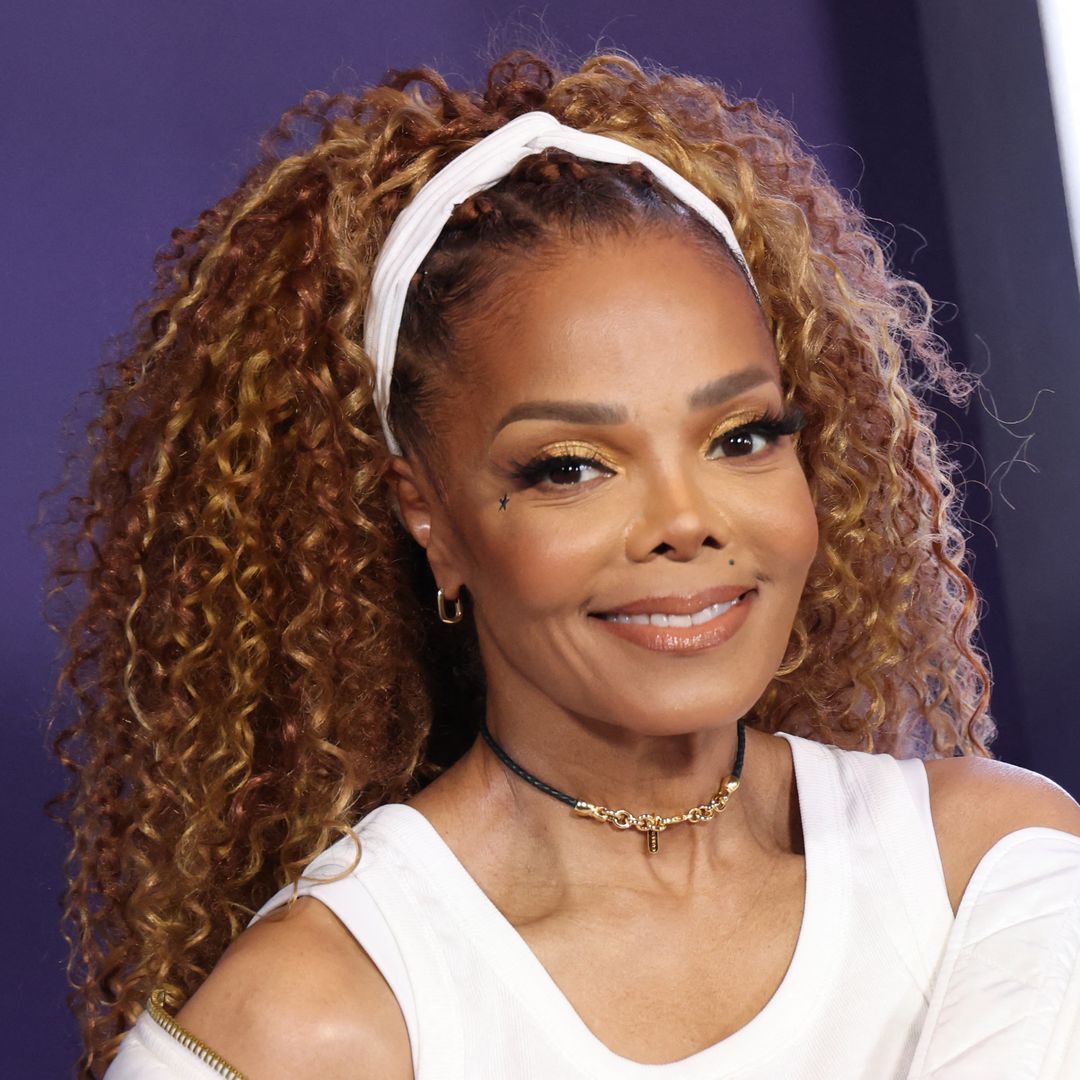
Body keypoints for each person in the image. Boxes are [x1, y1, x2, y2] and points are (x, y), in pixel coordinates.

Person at [46, 47, 1080, 1080]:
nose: (685, 520)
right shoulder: (313, 1024)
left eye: (741, 437)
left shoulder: (990, 868)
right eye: (573, 466)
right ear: (431, 519)